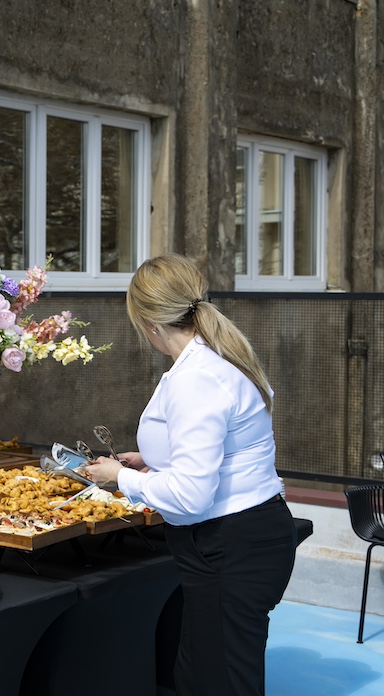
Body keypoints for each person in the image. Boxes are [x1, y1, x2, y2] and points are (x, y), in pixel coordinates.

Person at [85, 254, 295, 696]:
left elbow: (191, 495)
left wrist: (120, 478)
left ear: (149, 322)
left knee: (215, 681)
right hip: (244, 538)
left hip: (229, 545)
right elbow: (216, 448)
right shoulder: (214, 358)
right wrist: (151, 460)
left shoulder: (197, 378)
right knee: (202, 674)